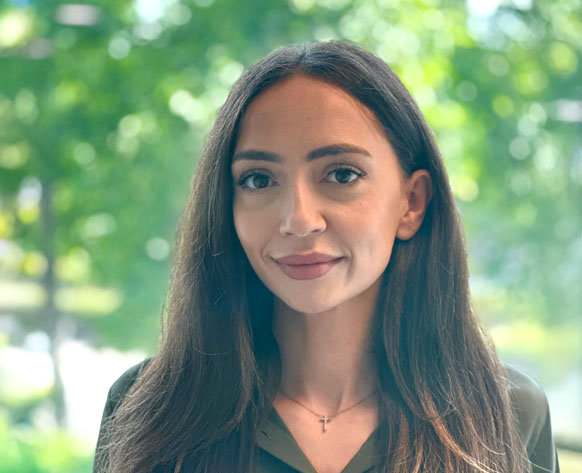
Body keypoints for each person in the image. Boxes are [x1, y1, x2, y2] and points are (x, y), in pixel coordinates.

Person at [93, 41, 560, 473]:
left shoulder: (511, 413)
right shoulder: (149, 406)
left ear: (412, 202)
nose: (298, 220)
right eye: (258, 180)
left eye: (341, 174)